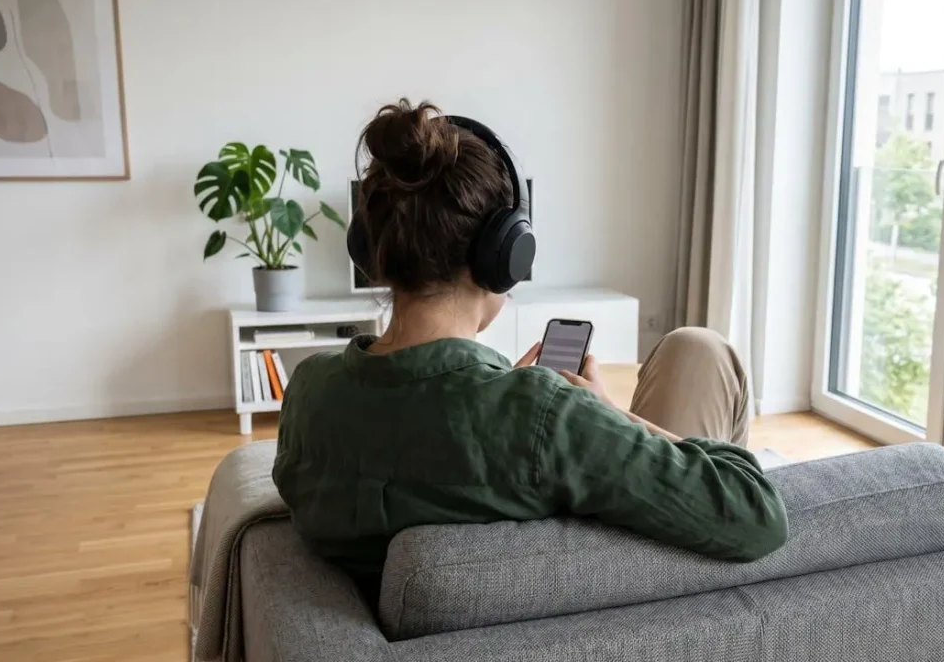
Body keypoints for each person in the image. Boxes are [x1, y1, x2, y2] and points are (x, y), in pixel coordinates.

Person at [272, 99, 787, 607]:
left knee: (692, 349)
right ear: (504, 254)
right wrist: (603, 412)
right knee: (704, 353)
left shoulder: (309, 391)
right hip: (630, 604)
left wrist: (511, 390)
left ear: (369, 248)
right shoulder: (543, 417)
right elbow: (756, 513)